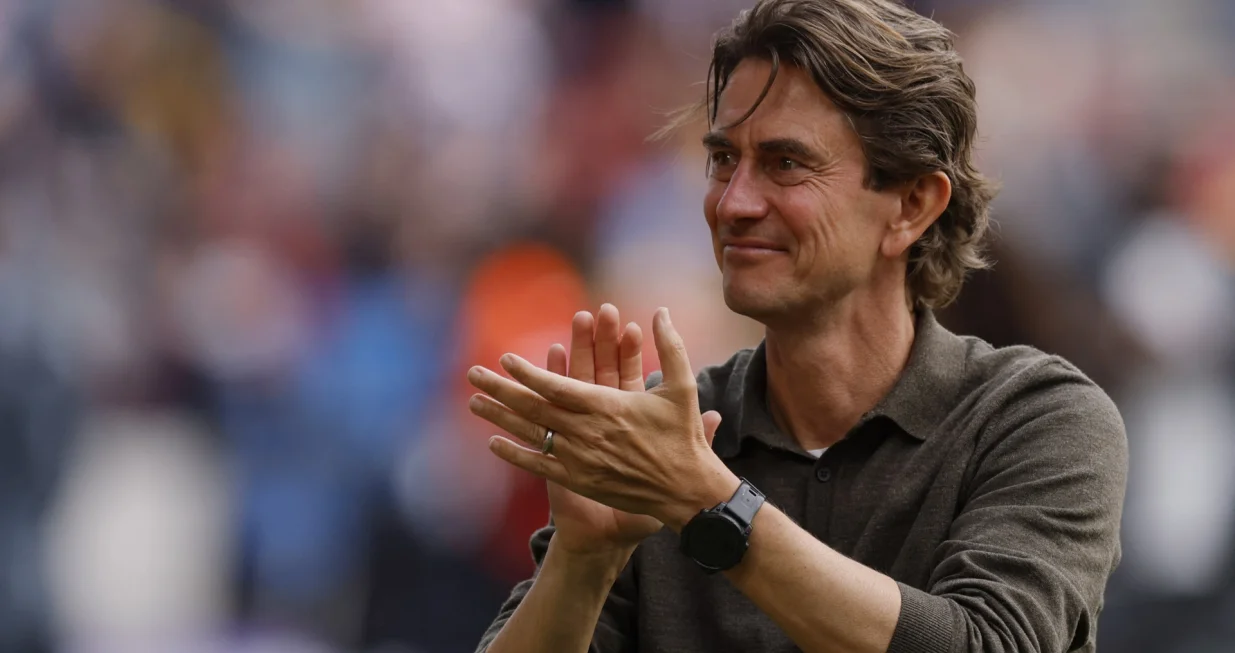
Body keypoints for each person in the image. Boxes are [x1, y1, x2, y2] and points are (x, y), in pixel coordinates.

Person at [465, 0, 1128, 651]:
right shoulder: (665, 444)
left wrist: (709, 504)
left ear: (911, 204)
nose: (733, 202)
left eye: (785, 163)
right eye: (723, 160)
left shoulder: (1035, 420)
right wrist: (581, 559)